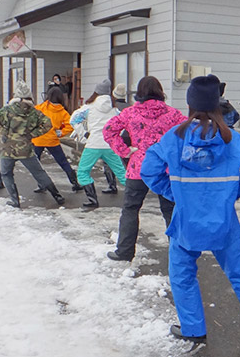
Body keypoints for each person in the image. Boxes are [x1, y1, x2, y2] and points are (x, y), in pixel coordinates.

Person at [141, 74, 240, 343]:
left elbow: (149, 170)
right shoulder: (232, 139)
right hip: (223, 222)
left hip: (186, 223)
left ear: (190, 104)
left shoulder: (174, 138)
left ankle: (193, 329)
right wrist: (229, 194)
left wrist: (177, 195)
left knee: (182, 276)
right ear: (217, 104)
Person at [103, 76, 186, 262]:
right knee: (171, 209)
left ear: (139, 93)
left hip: (138, 167)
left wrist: (124, 150)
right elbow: (189, 131)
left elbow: (108, 130)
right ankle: (179, 252)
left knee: (131, 209)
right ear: (160, 91)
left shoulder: (130, 113)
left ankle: (124, 251)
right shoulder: (173, 114)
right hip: (166, 168)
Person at [0, 81, 65, 208]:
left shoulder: (7, 110)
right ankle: (57, 196)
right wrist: (33, 134)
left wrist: (3, 131)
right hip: (26, 149)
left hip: (8, 148)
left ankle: (14, 200)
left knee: (6, 174)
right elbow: (48, 124)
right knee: (39, 172)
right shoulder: (34, 112)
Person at [70, 79, 126, 209]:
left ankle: (92, 200)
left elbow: (73, 119)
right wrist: (114, 137)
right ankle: (135, 196)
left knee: (83, 172)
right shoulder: (114, 109)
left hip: (93, 144)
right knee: (122, 173)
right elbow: (123, 124)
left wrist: (84, 135)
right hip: (109, 145)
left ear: (96, 92)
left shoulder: (89, 108)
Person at [31, 87, 81, 192]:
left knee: (36, 163)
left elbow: (31, 117)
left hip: (38, 139)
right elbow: (70, 124)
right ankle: (75, 183)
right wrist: (61, 132)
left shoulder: (41, 107)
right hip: (52, 140)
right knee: (63, 162)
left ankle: (42, 184)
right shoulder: (62, 111)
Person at [101, 83, 131, 195]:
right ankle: (132, 183)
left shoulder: (111, 107)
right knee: (129, 161)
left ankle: (112, 185)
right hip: (129, 137)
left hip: (117, 136)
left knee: (108, 161)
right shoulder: (130, 107)